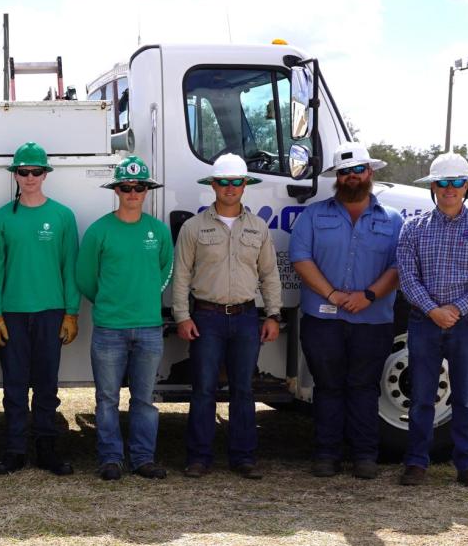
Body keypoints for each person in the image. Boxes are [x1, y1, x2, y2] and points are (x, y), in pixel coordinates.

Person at [290, 142, 402, 480]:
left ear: (369, 173)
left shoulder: (393, 220)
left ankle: (365, 455)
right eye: (345, 172)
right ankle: (326, 454)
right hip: (322, 318)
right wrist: (334, 295)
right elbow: (300, 258)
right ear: (337, 177)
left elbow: (399, 266)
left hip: (373, 319)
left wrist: (368, 295)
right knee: (327, 386)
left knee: (365, 387)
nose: (352, 177)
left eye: (358, 170)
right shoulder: (313, 214)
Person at [172, 154, 282, 479]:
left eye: (236, 181)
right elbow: (181, 275)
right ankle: (198, 457)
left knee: (243, 390)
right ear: (213, 185)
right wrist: (182, 316)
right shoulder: (194, 227)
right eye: (224, 182)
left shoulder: (259, 228)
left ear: (245, 184)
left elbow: (270, 275)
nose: (230, 188)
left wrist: (273, 314)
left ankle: (243, 457)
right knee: (204, 389)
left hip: (247, 318)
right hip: (206, 318)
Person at [396, 153, 468, 491]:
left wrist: (456, 308)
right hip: (424, 322)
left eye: (456, 182)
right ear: (433, 187)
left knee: (467, 399)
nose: (450, 189)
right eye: (443, 183)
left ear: (466, 186)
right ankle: (416, 462)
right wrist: (433, 310)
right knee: (422, 397)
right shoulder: (413, 229)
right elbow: (408, 277)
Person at [76, 156, 174, 481]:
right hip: (109, 328)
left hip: (148, 328)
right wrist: (110, 302)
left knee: (144, 399)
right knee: (106, 399)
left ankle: (143, 459)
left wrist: (144, 297)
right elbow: (85, 278)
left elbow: (165, 271)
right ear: (116, 190)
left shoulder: (158, 231)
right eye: (126, 187)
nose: (132, 192)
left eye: (139, 187)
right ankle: (110, 459)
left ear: (146, 191)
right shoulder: (99, 231)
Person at [0, 142, 81, 475]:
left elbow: (70, 267)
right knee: (14, 386)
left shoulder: (62, 216)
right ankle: (14, 450)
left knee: (46, 385)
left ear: (45, 174)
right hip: (11, 313)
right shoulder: (0, 218)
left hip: (50, 311)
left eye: (35, 172)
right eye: (23, 172)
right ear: (15, 174)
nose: (29, 177)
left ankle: (46, 448)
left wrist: (72, 312)